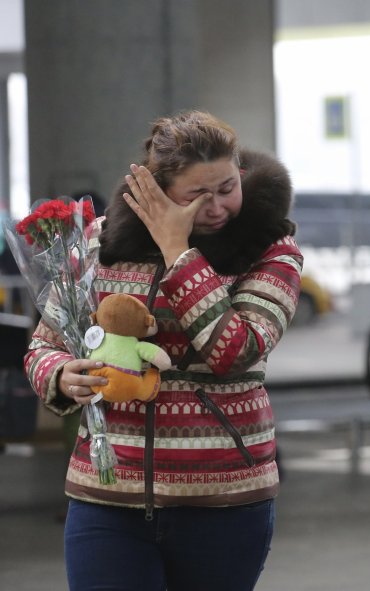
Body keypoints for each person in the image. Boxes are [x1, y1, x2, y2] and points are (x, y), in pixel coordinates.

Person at [23, 110, 302, 591]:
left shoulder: (272, 249)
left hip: (224, 496)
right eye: (197, 195)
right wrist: (62, 373)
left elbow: (236, 349)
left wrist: (179, 251)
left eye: (227, 187)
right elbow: (43, 344)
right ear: (158, 189)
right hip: (106, 493)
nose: (217, 207)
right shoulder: (99, 242)